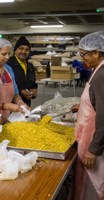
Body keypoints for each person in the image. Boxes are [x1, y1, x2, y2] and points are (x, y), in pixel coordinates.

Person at [70, 31, 104, 200]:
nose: (83, 59)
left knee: (95, 188)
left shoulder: (101, 76)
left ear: (96, 52)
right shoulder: (97, 71)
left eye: (84, 55)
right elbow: (97, 102)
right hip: (90, 138)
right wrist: (83, 105)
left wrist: (94, 149)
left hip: (95, 144)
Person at [7, 36, 37, 107]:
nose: (24, 52)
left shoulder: (30, 66)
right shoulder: (8, 64)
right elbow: (5, 85)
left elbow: (33, 82)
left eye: (27, 50)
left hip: (26, 104)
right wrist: (20, 91)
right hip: (11, 104)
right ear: (15, 50)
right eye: (21, 48)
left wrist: (34, 90)